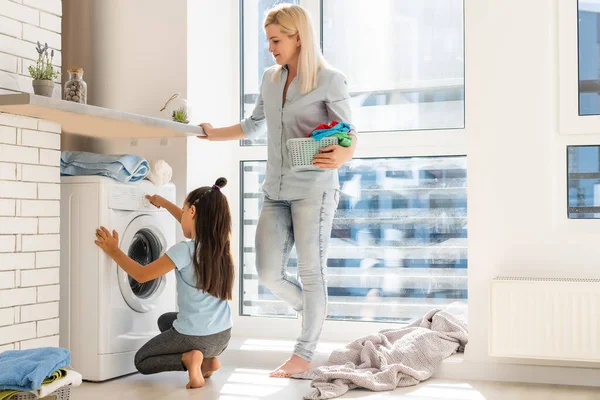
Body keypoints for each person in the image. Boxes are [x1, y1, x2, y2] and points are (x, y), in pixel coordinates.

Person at [199, 4, 357, 377]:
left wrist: (344, 153)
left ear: (298, 37)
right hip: (275, 189)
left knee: (311, 271)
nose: (271, 48)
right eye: (268, 40)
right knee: (267, 271)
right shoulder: (271, 78)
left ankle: (303, 354)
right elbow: (254, 124)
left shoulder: (329, 79)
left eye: (276, 40)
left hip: (314, 189)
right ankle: (313, 309)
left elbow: (349, 134)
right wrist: (212, 133)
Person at [94, 178, 234, 389]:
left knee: (142, 360)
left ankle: (190, 359)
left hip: (197, 336)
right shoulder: (221, 249)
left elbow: (141, 275)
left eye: (185, 210)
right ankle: (208, 360)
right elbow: (188, 222)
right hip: (222, 337)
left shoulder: (184, 250)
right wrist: (166, 204)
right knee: (164, 321)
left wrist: (114, 250)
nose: (182, 215)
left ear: (193, 212)